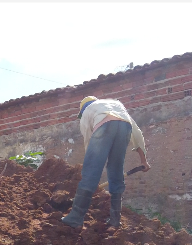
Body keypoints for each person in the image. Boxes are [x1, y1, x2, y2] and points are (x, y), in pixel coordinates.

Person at [61, 96, 150, 229]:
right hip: (125, 127)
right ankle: (115, 221)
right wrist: (143, 160)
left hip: (104, 125)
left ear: (82, 109)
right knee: (116, 172)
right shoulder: (116, 105)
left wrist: (91, 167)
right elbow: (136, 132)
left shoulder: (87, 111)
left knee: (90, 171)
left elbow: (88, 141)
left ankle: (76, 217)